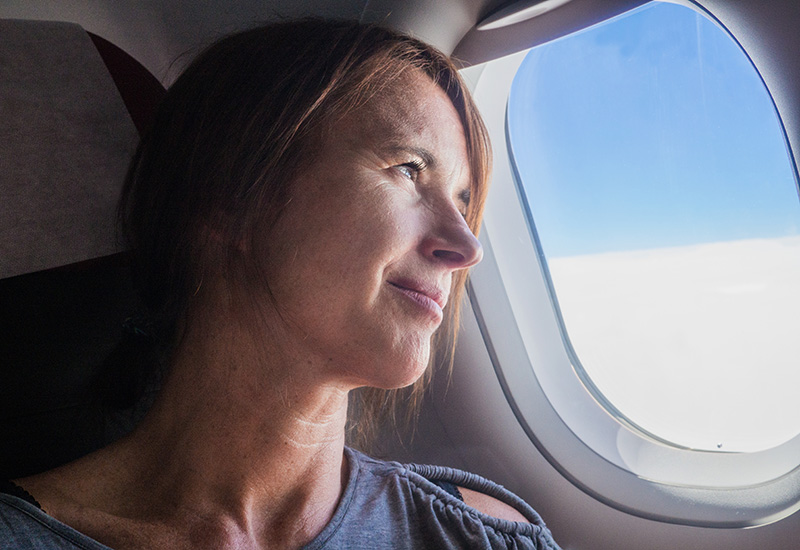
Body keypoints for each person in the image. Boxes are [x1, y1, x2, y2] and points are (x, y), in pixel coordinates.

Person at [0, 19, 561, 549]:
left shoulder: (481, 535)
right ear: (232, 196)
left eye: (464, 203)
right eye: (410, 169)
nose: (466, 248)